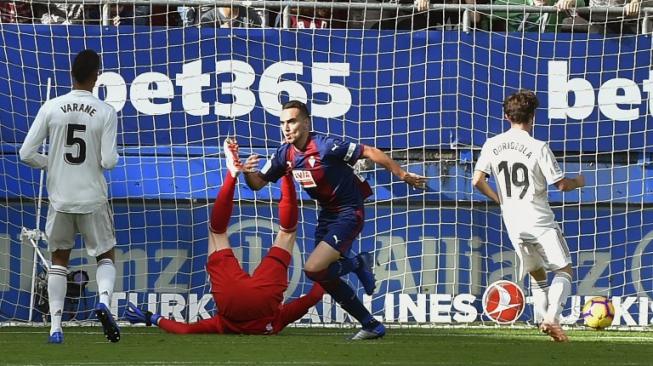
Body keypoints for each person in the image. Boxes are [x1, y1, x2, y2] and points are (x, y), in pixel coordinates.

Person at [242, 100, 427, 340]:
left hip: (350, 212)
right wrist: (245, 172)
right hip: (327, 215)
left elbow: (370, 151)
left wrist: (402, 174)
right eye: (282, 123)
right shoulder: (284, 153)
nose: (286, 128)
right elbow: (257, 184)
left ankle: (358, 263)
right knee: (322, 275)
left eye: (292, 121)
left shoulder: (327, 145)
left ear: (306, 123)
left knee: (312, 268)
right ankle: (370, 324)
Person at [126, 138, 324, 335]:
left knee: (285, 232)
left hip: (255, 298)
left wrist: (329, 273)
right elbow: (186, 330)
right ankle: (245, 173)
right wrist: (152, 317)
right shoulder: (224, 326)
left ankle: (262, 173)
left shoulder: (274, 321)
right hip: (234, 299)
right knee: (219, 232)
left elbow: (312, 297)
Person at [19, 49, 121, 344]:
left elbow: (26, 153)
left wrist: (50, 162)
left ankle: (55, 327)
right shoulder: (105, 111)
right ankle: (103, 300)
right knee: (105, 254)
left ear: (71, 75)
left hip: (61, 200)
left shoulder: (52, 107)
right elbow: (110, 161)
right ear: (96, 76)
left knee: (58, 260)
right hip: (92, 199)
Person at [472, 89, 585, 342]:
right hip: (539, 219)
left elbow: (477, 180)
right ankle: (552, 318)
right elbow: (562, 185)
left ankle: (540, 319)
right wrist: (579, 181)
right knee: (564, 269)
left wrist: (499, 199)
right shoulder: (538, 147)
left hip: (512, 220)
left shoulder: (492, 144)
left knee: (537, 272)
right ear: (533, 116)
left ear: (505, 116)